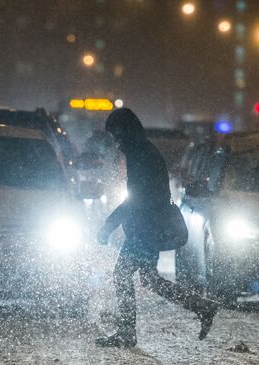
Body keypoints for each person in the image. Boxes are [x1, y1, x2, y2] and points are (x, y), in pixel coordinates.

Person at [95, 108, 218, 348]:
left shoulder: (142, 154)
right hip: (147, 227)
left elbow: (137, 199)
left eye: (115, 134)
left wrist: (109, 224)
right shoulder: (141, 151)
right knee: (149, 279)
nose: (114, 140)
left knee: (122, 276)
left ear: (125, 131)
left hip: (145, 229)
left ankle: (127, 333)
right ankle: (203, 307)